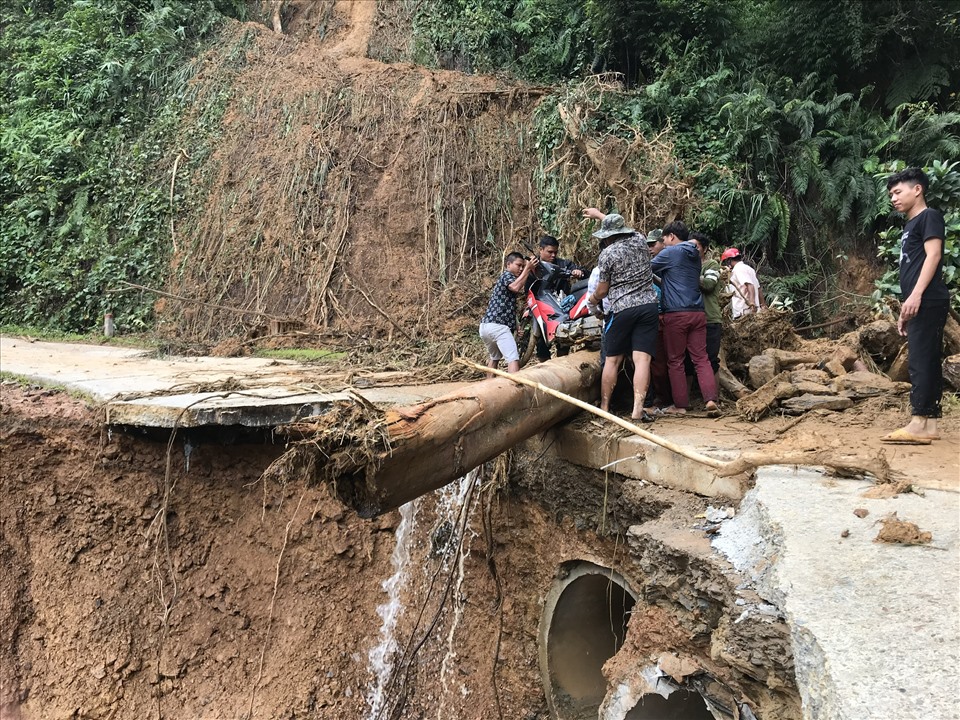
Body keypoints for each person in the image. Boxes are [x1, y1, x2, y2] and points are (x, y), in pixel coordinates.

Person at [881, 167, 950, 444]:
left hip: (928, 298)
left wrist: (917, 295)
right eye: (891, 194)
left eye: (898, 192)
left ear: (917, 189)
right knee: (927, 358)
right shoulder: (910, 225)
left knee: (920, 360)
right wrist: (907, 305)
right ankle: (929, 424)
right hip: (920, 300)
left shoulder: (929, 216)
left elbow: (934, 255)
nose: (893, 198)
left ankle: (918, 421)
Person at [582, 209, 660, 421]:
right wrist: (601, 216)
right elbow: (624, 228)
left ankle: (605, 407)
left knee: (612, 360)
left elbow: (602, 290)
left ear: (607, 237)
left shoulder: (607, 254)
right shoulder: (640, 241)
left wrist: (592, 301)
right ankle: (637, 410)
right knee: (642, 360)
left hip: (622, 309)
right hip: (648, 306)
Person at [650, 222, 719, 416]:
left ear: (672, 236)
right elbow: (675, 280)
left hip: (676, 314)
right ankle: (711, 400)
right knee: (701, 358)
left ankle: (680, 405)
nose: (663, 243)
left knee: (675, 360)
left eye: (664, 239)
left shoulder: (670, 252)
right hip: (697, 312)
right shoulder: (694, 254)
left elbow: (646, 268)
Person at [479, 252, 538, 374]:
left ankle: (489, 384)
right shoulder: (507, 275)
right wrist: (528, 268)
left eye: (522, 266)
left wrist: (516, 326)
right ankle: (514, 384)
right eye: (518, 265)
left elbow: (507, 307)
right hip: (498, 327)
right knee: (513, 358)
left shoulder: (507, 279)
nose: (520, 269)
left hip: (486, 326)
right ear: (508, 264)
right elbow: (515, 287)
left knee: (494, 358)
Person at [529, 235, 585, 361]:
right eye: (550, 252)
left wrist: (578, 272)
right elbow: (528, 288)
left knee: (564, 339)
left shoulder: (564, 264)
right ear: (541, 250)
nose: (553, 255)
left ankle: (562, 362)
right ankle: (544, 363)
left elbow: (581, 270)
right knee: (541, 342)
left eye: (555, 252)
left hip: (561, 304)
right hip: (541, 304)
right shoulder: (533, 265)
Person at [691, 231, 722, 376]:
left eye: (696, 246)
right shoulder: (687, 266)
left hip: (710, 319)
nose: (692, 249)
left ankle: (713, 391)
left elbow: (709, 284)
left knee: (711, 361)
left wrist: (688, 274)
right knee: (688, 363)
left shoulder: (711, 265)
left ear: (705, 249)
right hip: (692, 319)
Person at [721, 248, 764, 318]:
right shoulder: (749, 269)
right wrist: (763, 305)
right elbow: (758, 288)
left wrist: (752, 303)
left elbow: (749, 285)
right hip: (750, 311)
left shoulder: (738, 270)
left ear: (729, 260)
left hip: (744, 311)